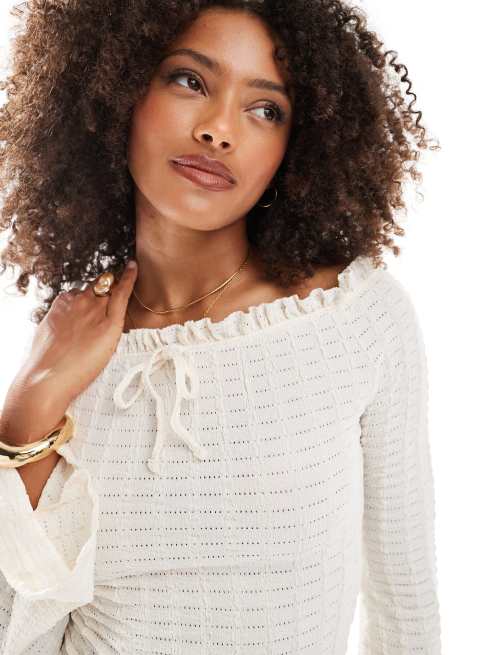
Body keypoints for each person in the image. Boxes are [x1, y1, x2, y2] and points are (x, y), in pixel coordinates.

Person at [0, 1, 442, 653]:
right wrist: (28, 412)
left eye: (265, 109)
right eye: (190, 80)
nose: (218, 130)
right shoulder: (72, 348)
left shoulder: (355, 321)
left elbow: (405, 610)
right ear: (118, 90)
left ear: (297, 145)